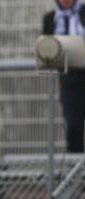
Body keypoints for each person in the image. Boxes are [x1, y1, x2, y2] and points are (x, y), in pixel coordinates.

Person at [43, 0, 85, 153]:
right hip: (69, 83)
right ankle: (77, 172)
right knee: (73, 129)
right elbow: (47, 53)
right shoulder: (50, 18)